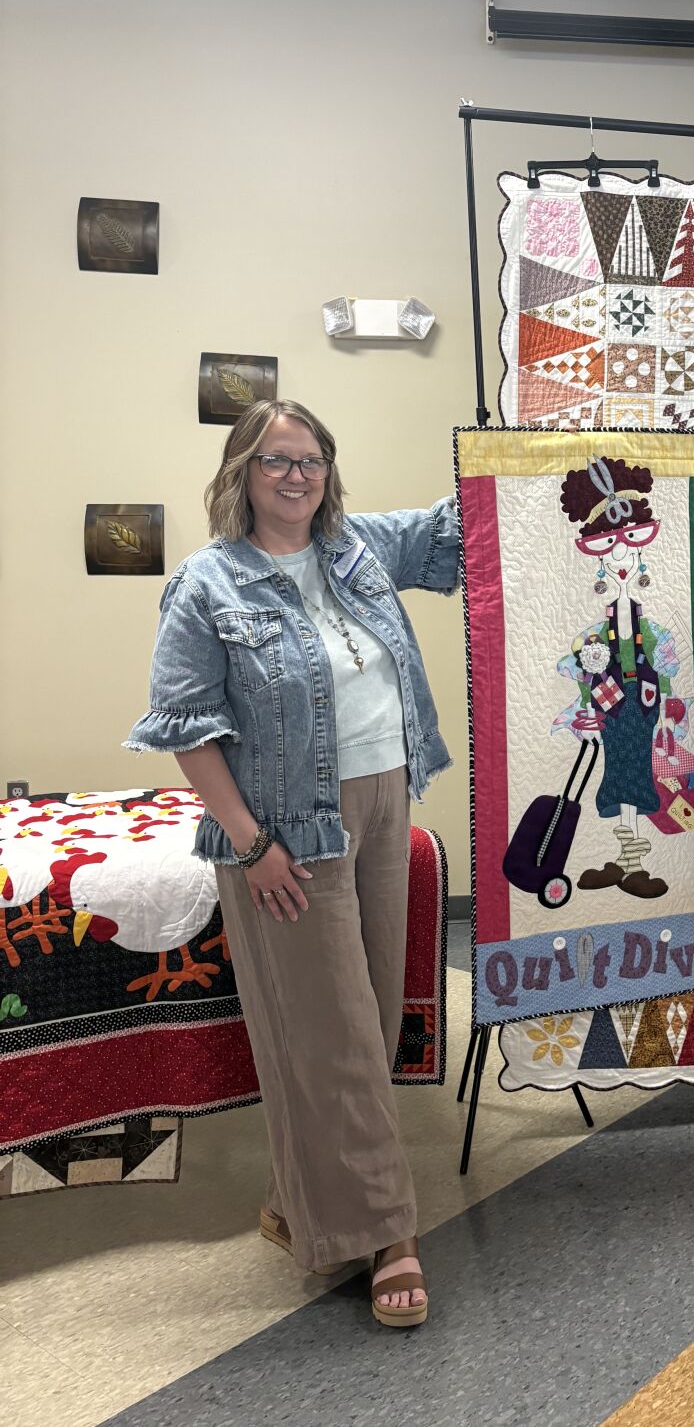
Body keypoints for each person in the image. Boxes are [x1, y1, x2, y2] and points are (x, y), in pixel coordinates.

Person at [126, 399, 458, 1326]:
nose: (296, 476)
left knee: (368, 1017)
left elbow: (461, 525)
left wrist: (565, 462)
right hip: (286, 831)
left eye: (311, 459)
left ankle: (294, 1200)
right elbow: (187, 729)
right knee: (334, 1035)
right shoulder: (208, 584)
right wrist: (249, 843)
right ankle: (386, 1234)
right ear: (241, 473)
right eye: (275, 460)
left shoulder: (358, 548)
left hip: (385, 802)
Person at [551, 455, 690, 899]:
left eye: (631, 543)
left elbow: (665, 671)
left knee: (638, 774)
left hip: (644, 704)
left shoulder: (650, 628)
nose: (621, 557)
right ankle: (627, 859)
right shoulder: (595, 632)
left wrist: (667, 710)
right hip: (612, 703)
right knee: (616, 774)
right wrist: (586, 710)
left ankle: (630, 862)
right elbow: (583, 672)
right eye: (610, 547)